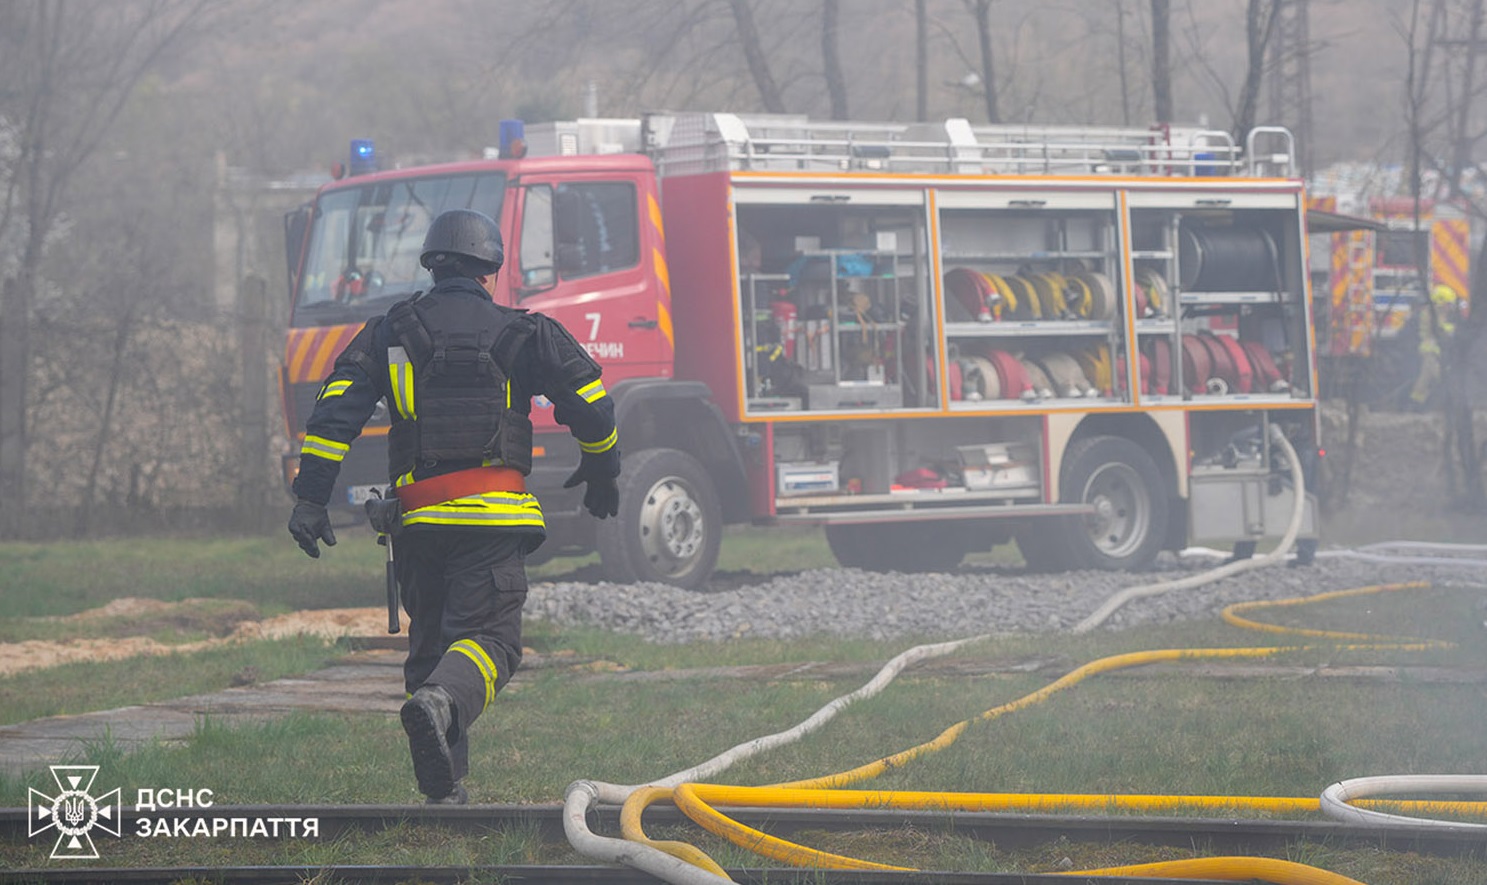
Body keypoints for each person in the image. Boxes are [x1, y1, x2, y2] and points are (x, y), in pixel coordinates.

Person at [287, 208, 620, 804]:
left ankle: (445, 790)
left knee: (435, 647)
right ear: (491, 270)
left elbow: (332, 414)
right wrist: (601, 464)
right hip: (492, 519)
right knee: (492, 642)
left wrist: (311, 498)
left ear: (433, 267)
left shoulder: (389, 332)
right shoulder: (527, 332)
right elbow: (594, 407)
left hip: (416, 523)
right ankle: (442, 707)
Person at [1409, 283, 1459, 409]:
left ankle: (1418, 402)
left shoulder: (1435, 312)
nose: (1450, 308)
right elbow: (1439, 330)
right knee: (1435, 376)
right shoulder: (1432, 314)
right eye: (1448, 304)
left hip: (1435, 351)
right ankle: (1417, 403)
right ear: (1440, 303)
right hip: (1430, 350)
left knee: (1428, 377)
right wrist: (1454, 330)